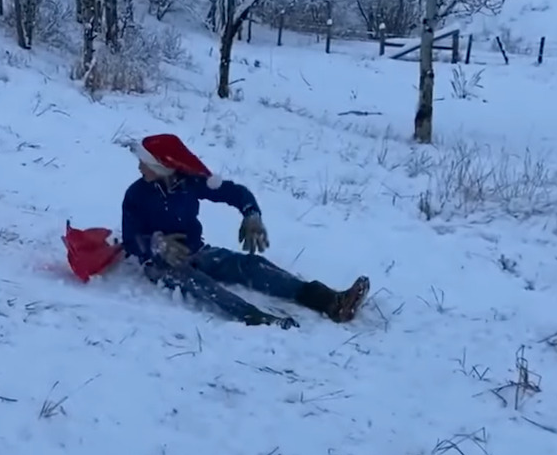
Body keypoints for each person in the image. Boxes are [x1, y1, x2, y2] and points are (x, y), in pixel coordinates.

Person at [121, 133, 370, 329]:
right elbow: (130, 238)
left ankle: (330, 301)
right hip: (160, 263)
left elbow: (236, 193)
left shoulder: (190, 183)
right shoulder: (136, 194)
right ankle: (255, 318)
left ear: (162, 165)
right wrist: (157, 244)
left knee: (250, 266)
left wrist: (251, 214)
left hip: (198, 250)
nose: (139, 167)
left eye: (144, 162)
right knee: (202, 285)